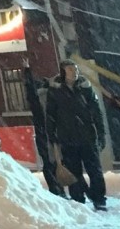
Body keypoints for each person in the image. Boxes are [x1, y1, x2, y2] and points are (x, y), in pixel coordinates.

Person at [46, 60, 107, 211]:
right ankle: (78, 200)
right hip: (67, 138)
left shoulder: (85, 88)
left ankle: (99, 199)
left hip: (88, 137)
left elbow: (96, 112)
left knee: (95, 170)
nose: (74, 72)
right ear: (63, 72)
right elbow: (50, 114)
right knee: (73, 172)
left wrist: (101, 133)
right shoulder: (55, 91)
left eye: (75, 69)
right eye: (70, 69)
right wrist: (52, 135)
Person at [23, 67, 65, 197]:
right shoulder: (54, 97)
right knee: (58, 161)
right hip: (55, 134)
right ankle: (60, 187)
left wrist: (27, 72)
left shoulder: (36, 100)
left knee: (48, 162)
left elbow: (30, 90)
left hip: (43, 133)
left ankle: (55, 188)